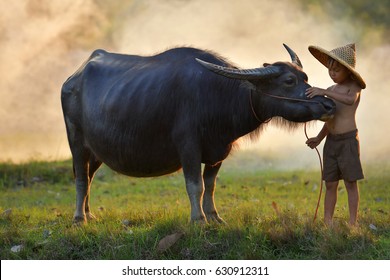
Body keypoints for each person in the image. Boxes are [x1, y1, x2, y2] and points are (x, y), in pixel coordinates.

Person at [305, 43, 366, 226]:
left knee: (350, 182)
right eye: (330, 69)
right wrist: (318, 138)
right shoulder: (331, 91)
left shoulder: (354, 88)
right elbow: (330, 120)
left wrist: (323, 91)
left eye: (336, 70)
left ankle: (353, 223)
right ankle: (328, 222)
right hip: (331, 142)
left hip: (347, 141)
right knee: (330, 183)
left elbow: (349, 101)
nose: (332, 73)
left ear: (348, 71)